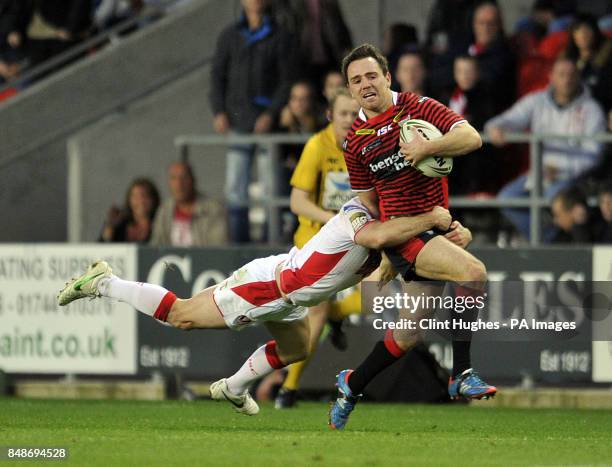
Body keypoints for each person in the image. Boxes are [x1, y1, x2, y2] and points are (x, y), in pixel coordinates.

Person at [58, 198, 457, 415]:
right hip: (269, 288)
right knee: (181, 316)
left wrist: (444, 229)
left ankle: (232, 388)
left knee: (298, 348)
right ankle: (104, 282)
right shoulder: (359, 214)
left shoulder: (389, 231)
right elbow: (380, 244)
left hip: (289, 295)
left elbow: (389, 256)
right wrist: (432, 218)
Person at [329, 43, 495, 430]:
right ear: (351, 91)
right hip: (406, 236)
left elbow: (471, 138)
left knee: (406, 335)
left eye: (371, 75)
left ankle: (352, 384)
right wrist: (386, 253)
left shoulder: (418, 107)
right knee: (473, 274)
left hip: (436, 227)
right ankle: (462, 374)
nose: (365, 84)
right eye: (356, 80)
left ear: (388, 77)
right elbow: (369, 204)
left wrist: (428, 147)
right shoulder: (355, 142)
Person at [274, 88, 360, 408]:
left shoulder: (365, 147)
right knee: (318, 310)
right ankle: (289, 388)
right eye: (344, 114)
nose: (350, 120)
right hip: (315, 240)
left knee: (375, 297)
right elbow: (298, 201)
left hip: (356, 239)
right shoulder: (316, 146)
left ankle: (338, 315)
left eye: (355, 114)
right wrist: (332, 220)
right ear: (330, 116)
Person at [486, 57, 606, 241]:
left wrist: (561, 168)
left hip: (574, 178)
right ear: (551, 77)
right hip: (539, 174)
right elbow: (507, 120)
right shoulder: (536, 101)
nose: (567, 80)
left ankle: (562, 242)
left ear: (578, 77)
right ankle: (549, 240)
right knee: (506, 198)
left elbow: (594, 154)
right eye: (561, 75)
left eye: (571, 75)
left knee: (556, 200)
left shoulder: (592, 110)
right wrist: (496, 128)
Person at [210, 0, 295, 243]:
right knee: (235, 187)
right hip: (238, 123)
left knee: (271, 188)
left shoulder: (281, 36)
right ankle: (237, 244)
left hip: (270, 126)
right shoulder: (230, 35)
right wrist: (218, 111)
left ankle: (272, 243)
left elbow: (286, 80)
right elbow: (217, 76)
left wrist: (271, 113)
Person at [150, 161, 227, 247]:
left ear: (193, 180)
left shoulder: (213, 209)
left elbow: (219, 247)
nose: (179, 184)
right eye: (173, 178)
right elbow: (156, 246)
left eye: (184, 178)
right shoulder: (165, 209)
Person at [563, 13, 612, 110]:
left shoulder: (608, 56)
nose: (583, 34)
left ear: (595, 32)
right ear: (572, 35)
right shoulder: (567, 59)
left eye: (587, 29)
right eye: (577, 30)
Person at [100, 178, 160, 243]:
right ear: (129, 200)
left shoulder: (161, 224)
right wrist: (110, 227)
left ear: (153, 199)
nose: (141, 201)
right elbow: (100, 247)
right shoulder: (120, 224)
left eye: (145, 196)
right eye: (135, 197)